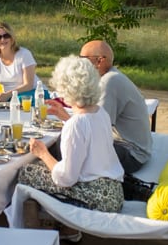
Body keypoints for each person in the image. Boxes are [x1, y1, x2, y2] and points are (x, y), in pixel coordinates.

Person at [18, 55, 124, 219]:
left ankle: (61, 225)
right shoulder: (100, 113)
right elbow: (88, 134)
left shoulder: (75, 124)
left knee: (27, 171)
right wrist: (66, 117)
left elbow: (66, 178)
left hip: (97, 198)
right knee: (42, 165)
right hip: (114, 192)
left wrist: (43, 153)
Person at [50, 40, 152, 174]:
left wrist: (68, 120)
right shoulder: (112, 77)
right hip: (133, 148)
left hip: (132, 154)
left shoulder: (109, 82)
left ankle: (62, 178)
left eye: (83, 59)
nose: (79, 64)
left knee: (62, 143)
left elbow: (96, 130)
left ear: (99, 61)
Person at [0, 21, 48, 103]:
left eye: (6, 36)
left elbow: (28, 84)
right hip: (9, 96)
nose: (2, 40)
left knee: (18, 101)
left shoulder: (24, 54)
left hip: (35, 93)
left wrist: (7, 95)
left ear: (12, 38)